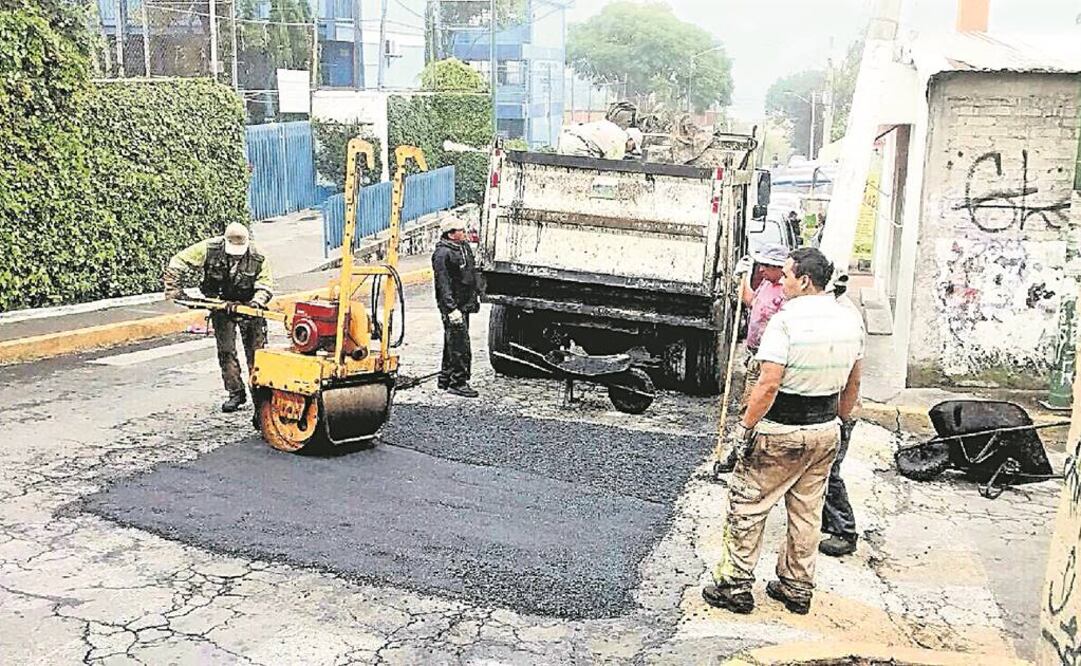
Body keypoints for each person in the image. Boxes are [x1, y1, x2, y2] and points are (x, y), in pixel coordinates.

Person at [702, 248, 863, 616]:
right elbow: (853, 382)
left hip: (780, 430)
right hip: (825, 428)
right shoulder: (849, 319)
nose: (781, 281)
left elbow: (768, 384)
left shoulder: (785, 322)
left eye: (787, 275)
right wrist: (838, 420)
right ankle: (796, 587)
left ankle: (734, 585)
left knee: (748, 506)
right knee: (807, 512)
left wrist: (744, 430)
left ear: (804, 280)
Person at [163, 222, 273, 413]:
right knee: (226, 351)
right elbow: (178, 262)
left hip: (249, 306)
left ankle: (260, 398)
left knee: (257, 355)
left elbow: (265, 286)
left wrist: (254, 304)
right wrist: (174, 288)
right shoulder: (209, 248)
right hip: (220, 304)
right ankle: (235, 393)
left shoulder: (258, 256)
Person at [713, 243, 788, 478]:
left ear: (779, 268)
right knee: (748, 408)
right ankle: (740, 456)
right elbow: (751, 301)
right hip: (755, 355)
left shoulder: (787, 292)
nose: (761, 269)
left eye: (766, 266)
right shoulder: (766, 283)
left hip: (771, 360)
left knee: (753, 409)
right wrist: (742, 279)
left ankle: (743, 460)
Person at [820, 274, 861, 557]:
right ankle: (828, 521)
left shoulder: (845, 319)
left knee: (830, 471)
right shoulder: (838, 313)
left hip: (841, 408)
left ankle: (845, 531)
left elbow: (853, 380)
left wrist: (841, 419)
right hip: (835, 406)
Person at [432, 217, 480, 398]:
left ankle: (445, 377)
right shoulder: (443, 254)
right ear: (451, 234)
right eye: (460, 230)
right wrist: (451, 309)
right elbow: (443, 284)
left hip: (464, 304)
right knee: (460, 344)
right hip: (453, 307)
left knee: (452, 341)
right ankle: (458, 381)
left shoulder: (463, 248)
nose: (464, 232)